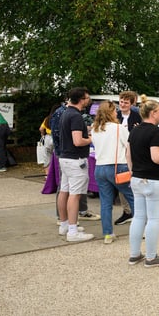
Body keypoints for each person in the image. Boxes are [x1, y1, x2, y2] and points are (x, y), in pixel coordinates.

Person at [126, 95, 159, 267]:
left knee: (138, 216)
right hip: (154, 179)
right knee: (154, 219)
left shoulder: (134, 130)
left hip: (137, 178)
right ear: (153, 113)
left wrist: (134, 171)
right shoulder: (155, 131)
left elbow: (128, 154)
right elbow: (157, 158)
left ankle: (134, 254)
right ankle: (151, 257)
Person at [90, 101, 135, 244]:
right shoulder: (119, 128)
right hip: (118, 166)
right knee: (133, 198)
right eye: (115, 110)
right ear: (110, 112)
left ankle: (108, 234)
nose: (117, 112)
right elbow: (128, 147)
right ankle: (142, 229)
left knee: (105, 202)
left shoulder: (94, 129)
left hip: (100, 167)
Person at [57, 87, 95, 242]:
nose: (88, 100)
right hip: (76, 159)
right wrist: (91, 138)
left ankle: (64, 224)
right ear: (81, 99)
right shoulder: (77, 116)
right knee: (75, 194)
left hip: (65, 157)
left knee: (64, 191)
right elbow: (78, 141)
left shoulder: (65, 113)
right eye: (87, 98)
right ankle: (72, 231)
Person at [114, 90, 142, 226]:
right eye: (121, 101)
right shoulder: (115, 116)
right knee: (122, 182)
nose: (122, 104)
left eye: (126, 102)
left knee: (135, 182)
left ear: (132, 104)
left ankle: (138, 212)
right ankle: (127, 211)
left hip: (134, 153)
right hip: (118, 153)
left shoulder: (137, 116)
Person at [38, 104, 60, 173]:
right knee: (57, 156)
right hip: (56, 137)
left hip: (47, 137)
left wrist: (42, 134)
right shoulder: (60, 118)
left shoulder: (47, 118)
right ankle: (56, 174)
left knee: (47, 156)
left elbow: (41, 128)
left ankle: (47, 175)